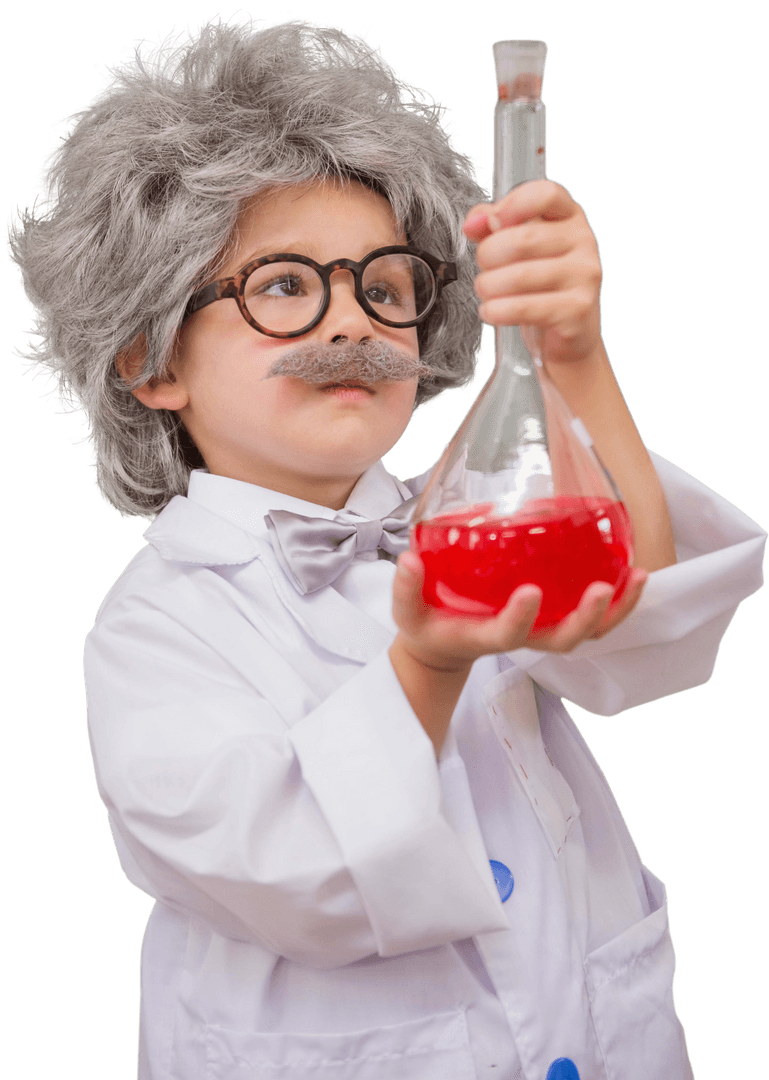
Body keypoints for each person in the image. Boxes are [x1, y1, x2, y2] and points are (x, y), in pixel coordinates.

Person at [6, 15, 765, 1080]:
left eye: (384, 284)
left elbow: (636, 624)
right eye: (281, 285)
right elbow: (293, 870)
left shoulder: (459, 508)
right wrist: (427, 664)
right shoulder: (153, 629)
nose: (350, 323)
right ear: (148, 357)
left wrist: (570, 355)